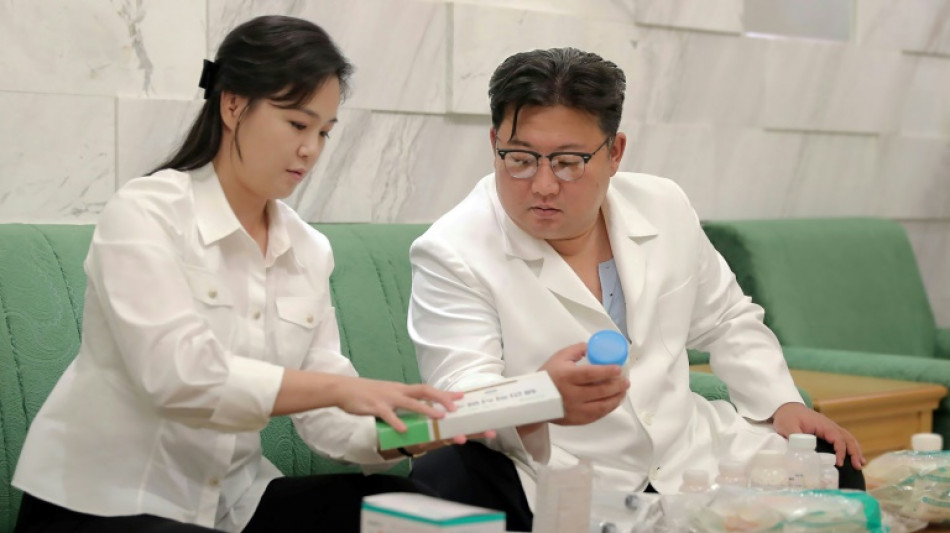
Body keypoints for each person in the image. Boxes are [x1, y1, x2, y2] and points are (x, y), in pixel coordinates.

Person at [12, 15, 475, 533]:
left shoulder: (308, 249)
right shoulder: (145, 213)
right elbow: (179, 377)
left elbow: (327, 419)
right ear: (233, 105)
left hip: (233, 504)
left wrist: (413, 431)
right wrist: (339, 389)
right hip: (102, 502)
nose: (311, 149)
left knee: (407, 508)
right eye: (297, 124)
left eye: (324, 132)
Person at [407, 47, 866, 531]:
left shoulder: (663, 205)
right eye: (520, 159)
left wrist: (782, 402)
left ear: (615, 153)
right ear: (494, 143)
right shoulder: (453, 249)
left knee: (834, 465)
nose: (542, 185)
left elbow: (727, 319)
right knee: (450, 474)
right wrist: (539, 396)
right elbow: (460, 395)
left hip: (686, 453)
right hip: (554, 467)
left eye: (568, 162)